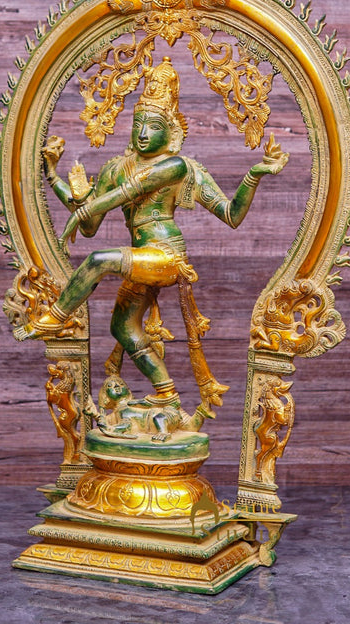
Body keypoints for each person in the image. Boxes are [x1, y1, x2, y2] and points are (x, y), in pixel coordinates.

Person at [14, 57, 288, 409]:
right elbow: (90, 226)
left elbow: (230, 215)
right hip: (140, 260)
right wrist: (57, 179)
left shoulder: (176, 166)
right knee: (122, 328)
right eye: (138, 124)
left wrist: (255, 174)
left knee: (98, 261)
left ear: (171, 132)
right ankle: (166, 394)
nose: (143, 133)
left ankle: (54, 318)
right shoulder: (116, 169)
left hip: (166, 256)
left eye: (153, 125)